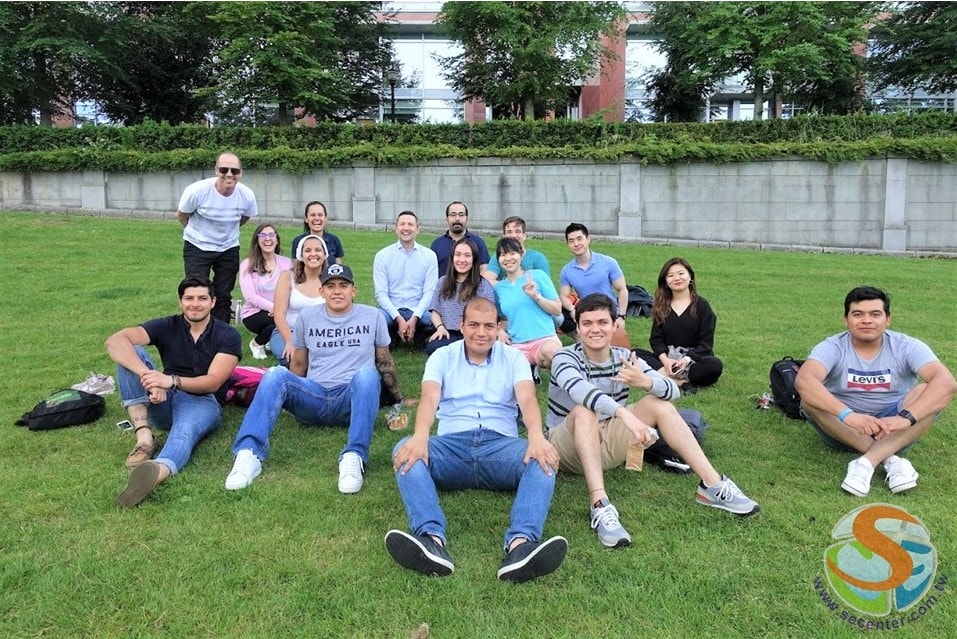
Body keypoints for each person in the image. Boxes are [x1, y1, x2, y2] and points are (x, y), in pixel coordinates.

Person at [547, 293, 760, 546]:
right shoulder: (565, 357)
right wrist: (624, 414)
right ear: (578, 327)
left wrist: (646, 382)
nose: (595, 329)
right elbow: (580, 391)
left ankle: (712, 486)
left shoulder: (625, 358)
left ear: (615, 325)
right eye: (587, 323)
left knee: (659, 404)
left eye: (602, 322)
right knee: (585, 411)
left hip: (607, 442)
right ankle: (600, 505)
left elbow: (673, 391)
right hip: (566, 447)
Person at [385, 297, 568, 583]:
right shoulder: (442, 356)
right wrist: (420, 437)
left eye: (488, 326)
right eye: (473, 325)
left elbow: (528, 398)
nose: (481, 333)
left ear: (498, 328)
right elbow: (429, 398)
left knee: (544, 457)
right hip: (452, 448)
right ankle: (431, 539)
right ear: (461, 326)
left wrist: (535, 437)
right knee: (404, 449)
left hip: (500, 449)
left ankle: (521, 545)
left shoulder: (514, 358)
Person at [225, 264, 406, 494]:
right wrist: (285, 395)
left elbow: (384, 360)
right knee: (275, 373)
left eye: (343, 285)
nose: (337, 291)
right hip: (314, 396)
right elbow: (299, 364)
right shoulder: (307, 317)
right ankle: (249, 454)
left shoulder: (373, 316)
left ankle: (354, 456)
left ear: (354, 290)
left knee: (367, 374)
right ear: (322, 291)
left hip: (350, 400)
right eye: (330, 286)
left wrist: (397, 399)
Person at [795, 286, 956, 497]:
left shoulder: (906, 346)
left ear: (888, 319)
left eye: (875, 314)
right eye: (858, 314)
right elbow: (805, 380)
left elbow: (946, 383)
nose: (867, 320)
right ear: (846, 320)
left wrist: (905, 419)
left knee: (928, 391)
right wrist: (848, 415)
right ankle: (890, 459)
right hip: (844, 428)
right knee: (810, 400)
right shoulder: (832, 347)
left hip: (894, 426)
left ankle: (865, 463)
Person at [106, 275, 241, 508]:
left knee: (184, 432)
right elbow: (114, 341)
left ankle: (157, 471)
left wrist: (170, 381)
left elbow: (212, 382)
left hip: (204, 401)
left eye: (202, 298)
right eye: (189, 298)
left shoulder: (227, 335)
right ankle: (144, 438)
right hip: (164, 399)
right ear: (180, 302)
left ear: (212, 302)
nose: (195, 304)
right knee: (130, 353)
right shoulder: (168, 325)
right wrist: (150, 378)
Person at [176, 152, 258, 323]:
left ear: (241, 173)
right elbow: (182, 215)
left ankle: (220, 332)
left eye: (235, 171)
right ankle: (194, 329)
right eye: (224, 169)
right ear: (216, 170)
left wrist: (227, 233)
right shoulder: (197, 191)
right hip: (197, 246)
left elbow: (244, 218)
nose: (229, 174)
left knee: (223, 293)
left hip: (228, 247)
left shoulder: (247, 195)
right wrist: (199, 234)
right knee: (196, 290)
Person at [634, 258, 723, 393]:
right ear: (665, 281)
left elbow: (706, 344)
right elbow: (656, 340)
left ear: (690, 277)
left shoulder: (702, 306)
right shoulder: (661, 306)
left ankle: (662, 377)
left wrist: (686, 360)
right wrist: (666, 361)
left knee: (714, 366)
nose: (676, 278)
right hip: (667, 360)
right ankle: (680, 382)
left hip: (693, 361)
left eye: (681, 273)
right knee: (633, 354)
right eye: (671, 275)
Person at [493, 237, 563, 378]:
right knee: (503, 375)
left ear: (521, 255)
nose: (508, 258)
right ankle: (530, 370)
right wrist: (499, 330)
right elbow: (503, 318)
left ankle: (556, 380)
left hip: (544, 340)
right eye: (503, 254)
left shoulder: (537, 276)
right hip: (517, 344)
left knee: (554, 354)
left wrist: (536, 296)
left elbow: (557, 309)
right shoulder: (498, 288)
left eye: (512, 253)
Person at [373, 211, 438, 349]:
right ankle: (393, 333)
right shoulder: (382, 256)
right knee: (375, 319)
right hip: (391, 310)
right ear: (396, 229)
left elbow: (429, 292)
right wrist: (398, 318)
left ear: (417, 229)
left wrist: (415, 318)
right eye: (402, 224)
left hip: (420, 310)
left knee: (437, 319)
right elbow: (381, 293)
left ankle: (420, 333)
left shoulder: (429, 256)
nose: (406, 228)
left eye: (410, 224)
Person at [559, 223, 630, 348]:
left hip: (609, 312)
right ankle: (579, 337)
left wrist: (621, 317)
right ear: (568, 244)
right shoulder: (567, 270)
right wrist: (572, 309)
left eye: (579, 239)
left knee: (621, 352)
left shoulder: (608, 262)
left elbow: (622, 289)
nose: (576, 244)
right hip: (586, 314)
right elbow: (563, 296)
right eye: (571, 241)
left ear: (588, 239)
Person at [427, 238, 496, 355]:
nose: (462, 260)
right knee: (433, 348)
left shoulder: (483, 285)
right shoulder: (442, 282)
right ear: (452, 258)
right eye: (458, 255)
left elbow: (488, 316)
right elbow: (435, 311)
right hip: (447, 332)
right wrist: (440, 327)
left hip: (472, 334)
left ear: (474, 259)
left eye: (467, 255)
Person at [269, 235, 327, 366]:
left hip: (320, 334)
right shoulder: (287, 277)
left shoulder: (330, 280)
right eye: (308, 250)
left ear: (325, 254)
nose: (313, 254)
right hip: (288, 332)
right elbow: (279, 314)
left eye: (318, 250)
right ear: (300, 255)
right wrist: (290, 341)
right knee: (292, 358)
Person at [239, 223, 293, 360]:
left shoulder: (287, 263)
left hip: (280, 309)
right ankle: (257, 343)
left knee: (288, 319)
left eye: (271, 235)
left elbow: (293, 289)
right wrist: (275, 308)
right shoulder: (248, 264)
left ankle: (271, 338)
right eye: (262, 235)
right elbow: (250, 297)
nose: (267, 238)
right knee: (277, 321)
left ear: (277, 240)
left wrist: (280, 309)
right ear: (257, 240)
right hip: (254, 313)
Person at [430, 201, 491, 276]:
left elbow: (484, 269)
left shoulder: (478, 242)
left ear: (467, 218)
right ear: (447, 219)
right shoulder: (437, 244)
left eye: (461, 215)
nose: (457, 218)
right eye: (453, 215)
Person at [484, 216, 551, 283]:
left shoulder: (538, 258)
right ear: (504, 236)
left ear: (524, 236)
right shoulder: (499, 257)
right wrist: (508, 287)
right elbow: (487, 281)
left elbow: (545, 284)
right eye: (509, 232)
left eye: (517, 231)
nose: (513, 235)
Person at [290, 200, 345, 265]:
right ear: (306, 219)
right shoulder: (298, 241)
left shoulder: (334, 240)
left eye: (320, 215)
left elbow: (339, 266)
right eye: (313, 215)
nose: (317, 218)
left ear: (325, 218)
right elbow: (296, 266)